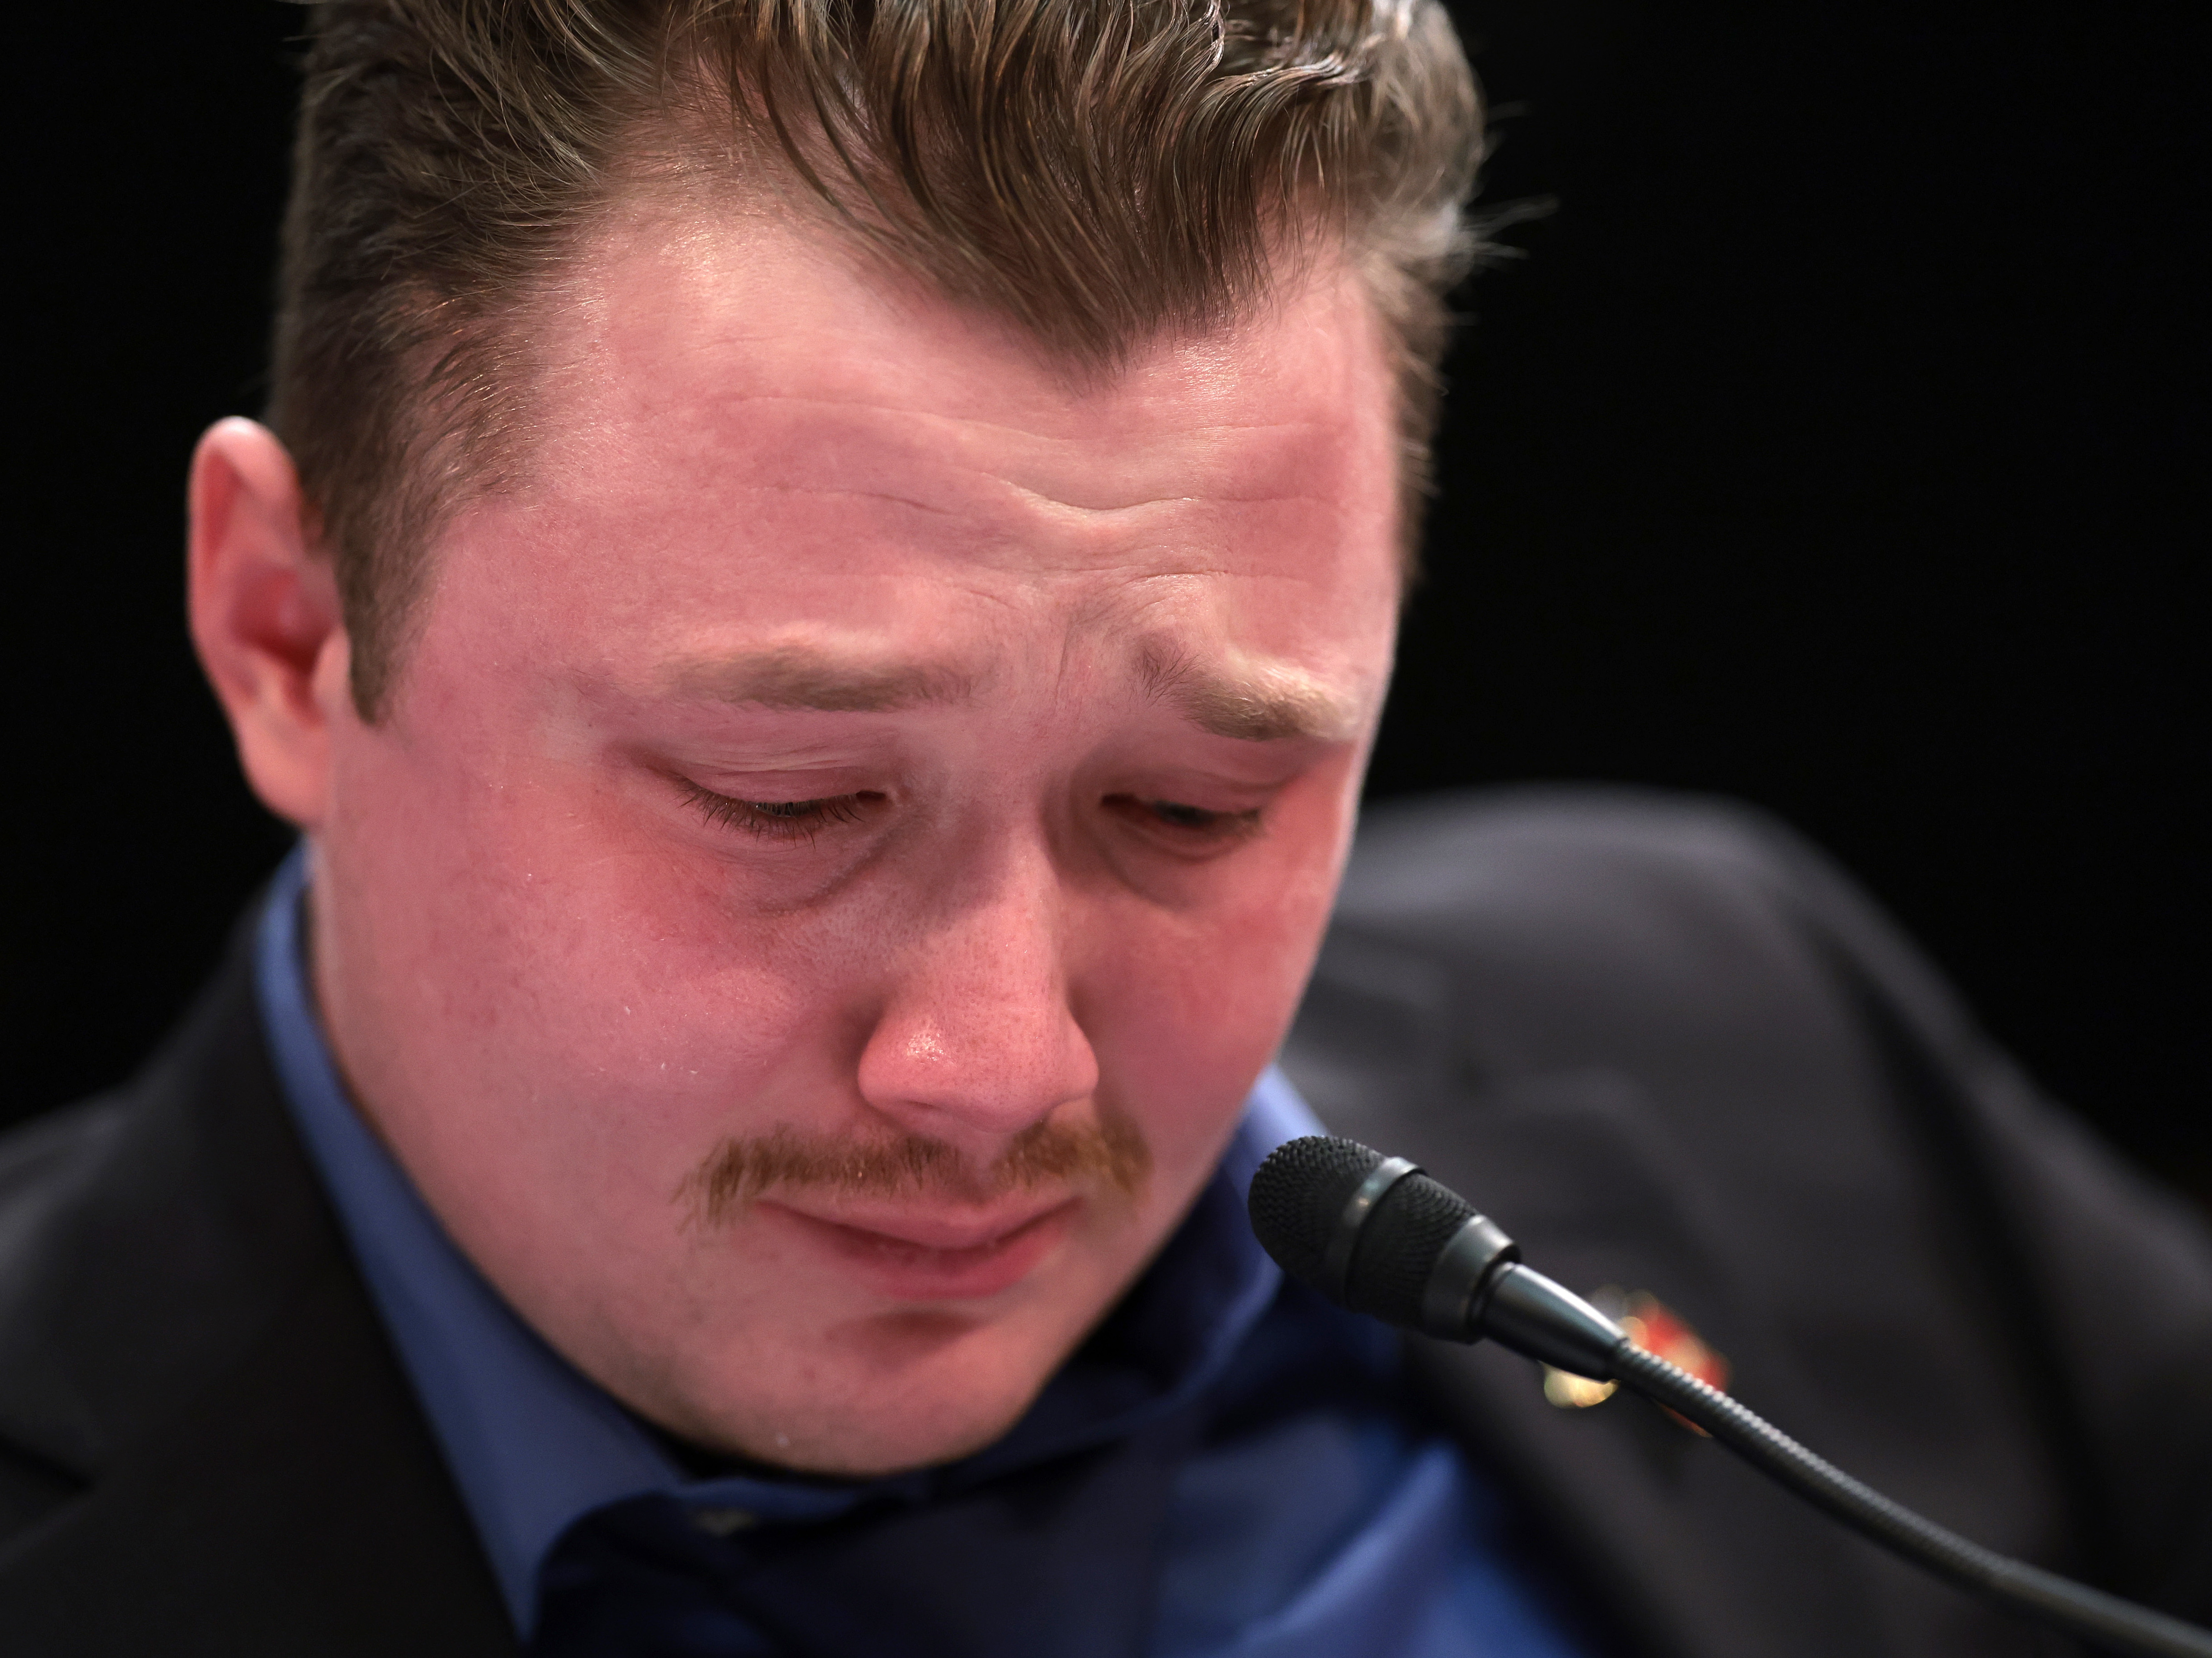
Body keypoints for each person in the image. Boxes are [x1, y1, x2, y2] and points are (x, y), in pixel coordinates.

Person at [1, 0, 2206, 1653]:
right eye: (794, 798)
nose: (997, 1066)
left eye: (1190, 804)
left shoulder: (1736, 1007)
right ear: (289, 633)